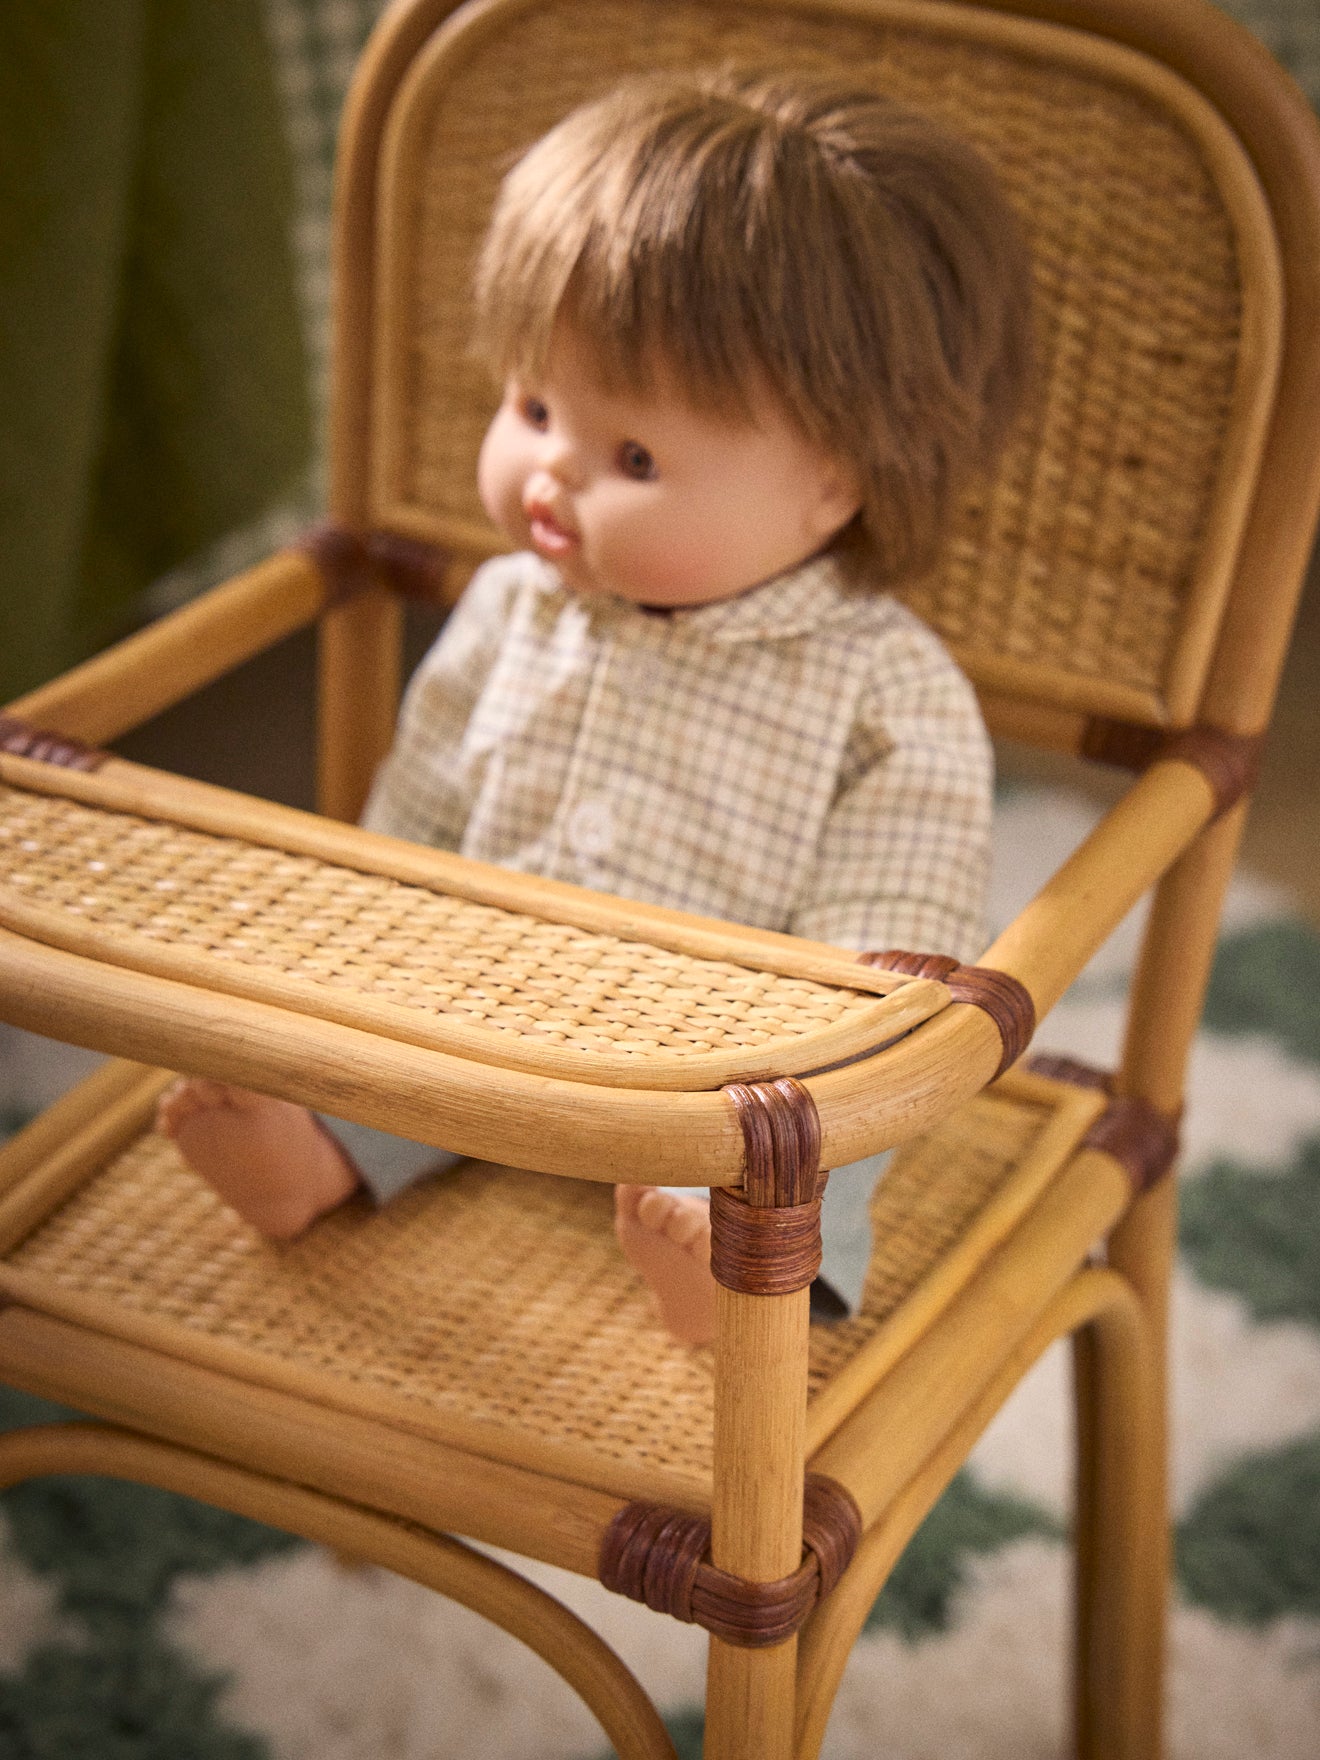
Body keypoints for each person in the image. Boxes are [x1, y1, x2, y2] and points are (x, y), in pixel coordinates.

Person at [158, 68, 1033, 1345]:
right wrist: (355, 957)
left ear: (832, 486)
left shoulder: (885, 690)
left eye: (632, 457)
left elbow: (888, 947)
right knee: (392, 1029)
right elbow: (423, 808)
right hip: (493, 1006)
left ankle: (744, 1276)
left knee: (826, 1141)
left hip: (722, 1076)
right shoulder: (515, 602)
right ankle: (318, 1155)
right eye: (532, 406)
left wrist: (800, 1077)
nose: (547, 474)